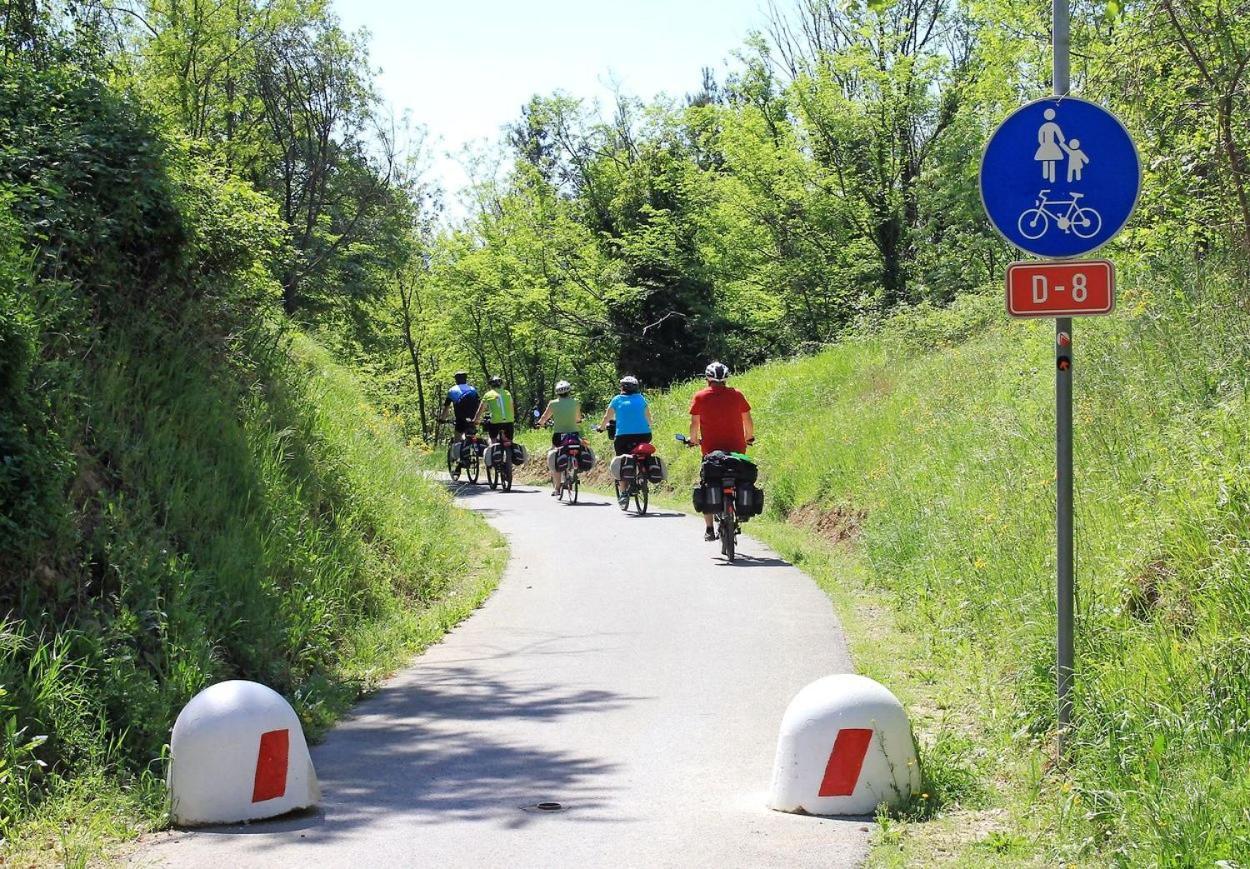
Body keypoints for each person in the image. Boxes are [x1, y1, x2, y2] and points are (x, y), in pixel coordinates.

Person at [688, 361, 754, 541]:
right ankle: (741, 510)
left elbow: (694, 424)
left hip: (711, 452)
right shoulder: (737, 395)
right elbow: (747, 420)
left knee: (707, 482)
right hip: (737, 450)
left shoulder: (700, 396)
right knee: (739, 476)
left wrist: (693, 440)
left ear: (708, 379)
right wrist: (749, 437)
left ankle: (709, 529)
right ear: (726, 378)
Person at [535, 380, 583, 496]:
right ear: (569, 391)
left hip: (559, 436)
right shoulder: (575, 402)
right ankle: (574, 469)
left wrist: (539, 424)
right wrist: (578, 420)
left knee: (555, 457)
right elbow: (578, 418)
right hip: (574, 434)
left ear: (557, 392)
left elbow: (544, 417)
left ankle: (557, 488)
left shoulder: (553, 403)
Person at [601, 376, 653, 456]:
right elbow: (648, 415)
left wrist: (601, 428)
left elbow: (607, 417)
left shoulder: (617, 399)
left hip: (623, 437)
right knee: (645, 454)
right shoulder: (641, 398)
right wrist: (649, 425)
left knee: (620, 458)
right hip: (645, 435)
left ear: (622, 387)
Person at [439, 371, 481, 444]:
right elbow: (479, 404)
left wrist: (442, 419)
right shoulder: (472, 389)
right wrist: (478, 418)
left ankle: (459, 448)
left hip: (461, 418)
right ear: (465, 379)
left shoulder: (452, 390)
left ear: (456, 379)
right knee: (471, 434)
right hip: (473, 418)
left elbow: (446, 407)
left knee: (457, 439)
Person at [474, 375, 515, 446]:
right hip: (509, 421)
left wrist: (476, 420)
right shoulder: (507, 393)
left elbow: (481, 409)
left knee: (493, 439)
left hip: (495, 422)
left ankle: (493, 447)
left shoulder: (488, 395)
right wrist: (512, 418)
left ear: (491, 385)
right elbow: (512, 408)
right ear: (501, 384)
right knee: (509, 442)